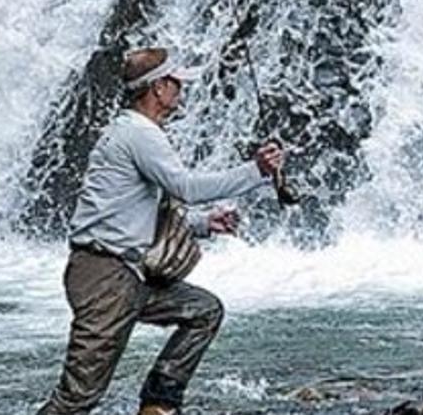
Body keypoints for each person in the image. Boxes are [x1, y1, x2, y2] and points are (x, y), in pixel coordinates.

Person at [36, 47, 285, 415]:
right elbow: (185, 188)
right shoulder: (140, 135)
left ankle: (158, 405)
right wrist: (257, 171)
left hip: (125, 273)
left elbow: (129, 212)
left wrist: (202, 224)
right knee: (76, 400)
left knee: (203, 311)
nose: (180, 92)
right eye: (176, 84)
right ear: (157, 88)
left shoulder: (132, 132)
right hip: (106, 278)